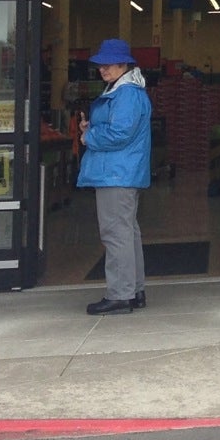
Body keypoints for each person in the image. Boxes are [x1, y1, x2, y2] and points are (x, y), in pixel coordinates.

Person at [75, 37, 151, 315]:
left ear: (124, 64)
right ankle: (134, 291)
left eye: (109, 64)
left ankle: (120, 295)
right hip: (123, 172)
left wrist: (88, 136)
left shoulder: (126, 93)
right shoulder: (126, 91)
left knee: (116, 234)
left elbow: (120, 133)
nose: (103, 69)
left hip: (116, 173)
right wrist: (92, 126)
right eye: (100, 65)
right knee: (127, 233)